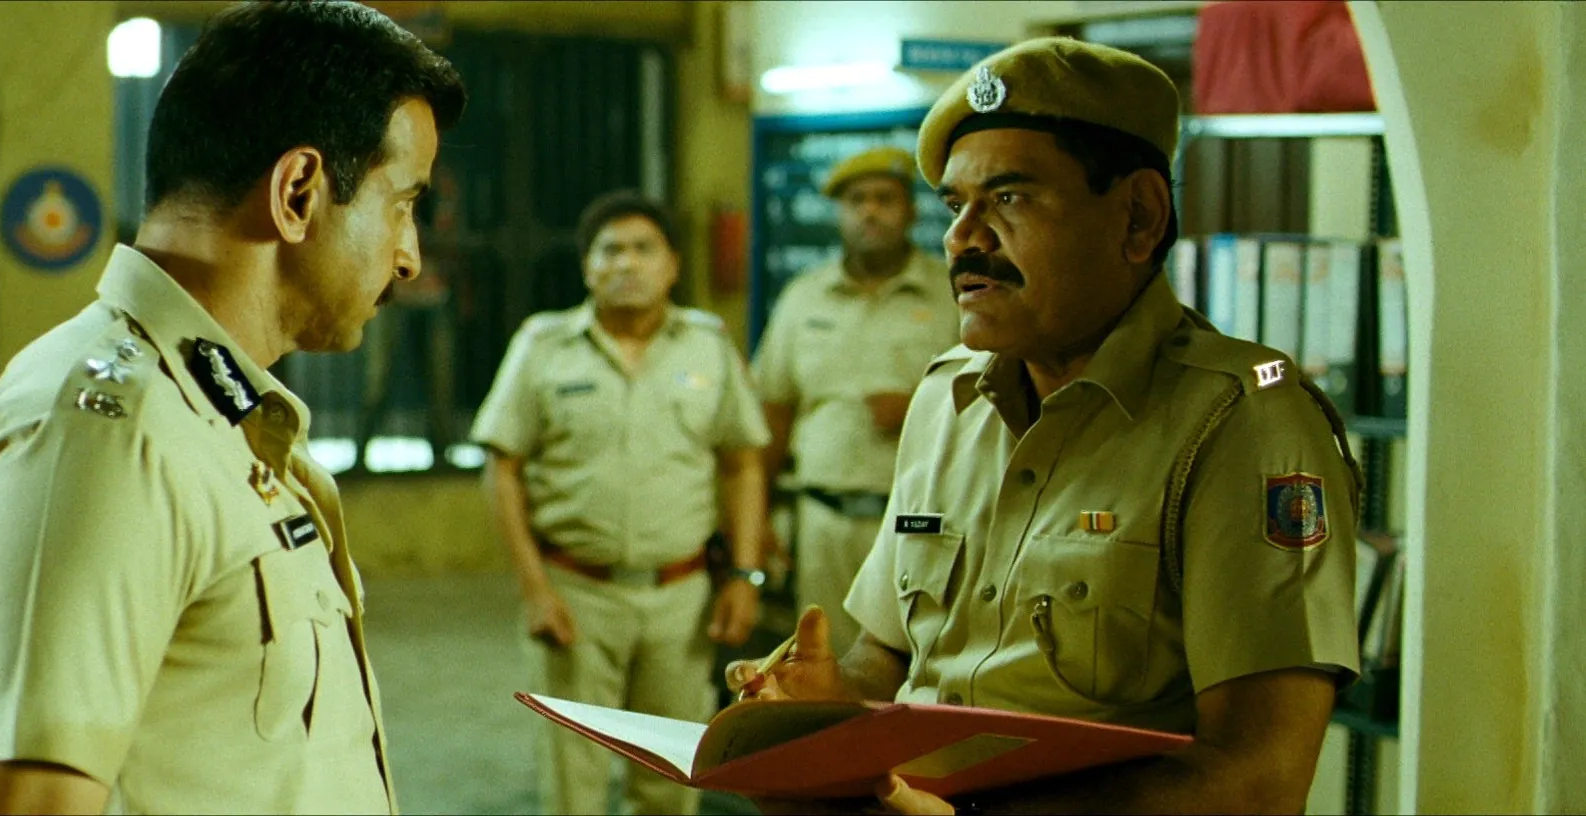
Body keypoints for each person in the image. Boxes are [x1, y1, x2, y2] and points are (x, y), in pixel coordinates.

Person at [727, 37, 1362, 815]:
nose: (964, 239)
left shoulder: (1239, 420)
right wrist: (817, 708)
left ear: (1138, 217)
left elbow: (1258, 780)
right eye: (955, 206)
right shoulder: (947, 400)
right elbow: (885, 661)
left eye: (1009, 199)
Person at [0, 2, 463, 813]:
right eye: (402, 204)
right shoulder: (104, 439)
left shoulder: (221, 415)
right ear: (298, 192)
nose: (408, 256)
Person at [470, 190, 771, 816]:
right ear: (587, 267)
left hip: (682, 599)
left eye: (643, 249)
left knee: (670, 775)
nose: (627, 263)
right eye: (610, 251)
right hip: (577, 593)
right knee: (572, 781)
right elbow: (503, 470)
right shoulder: (544, 346)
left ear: (672, 265)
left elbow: (742, 463)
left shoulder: (707, 345)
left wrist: (744, 577)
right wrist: (534, 590)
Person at [750, 145, 961, 652]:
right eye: (856, 200)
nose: (870, 211)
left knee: (917, 658)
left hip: (921, 520)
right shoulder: (804, 297)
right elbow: (773, 410)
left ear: (910, 211)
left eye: (885, 199)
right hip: (820, 519)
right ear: (839, 214)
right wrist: (756, 515)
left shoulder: (951, 293)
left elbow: (999, 399)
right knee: (824, 657)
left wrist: (920, 408)